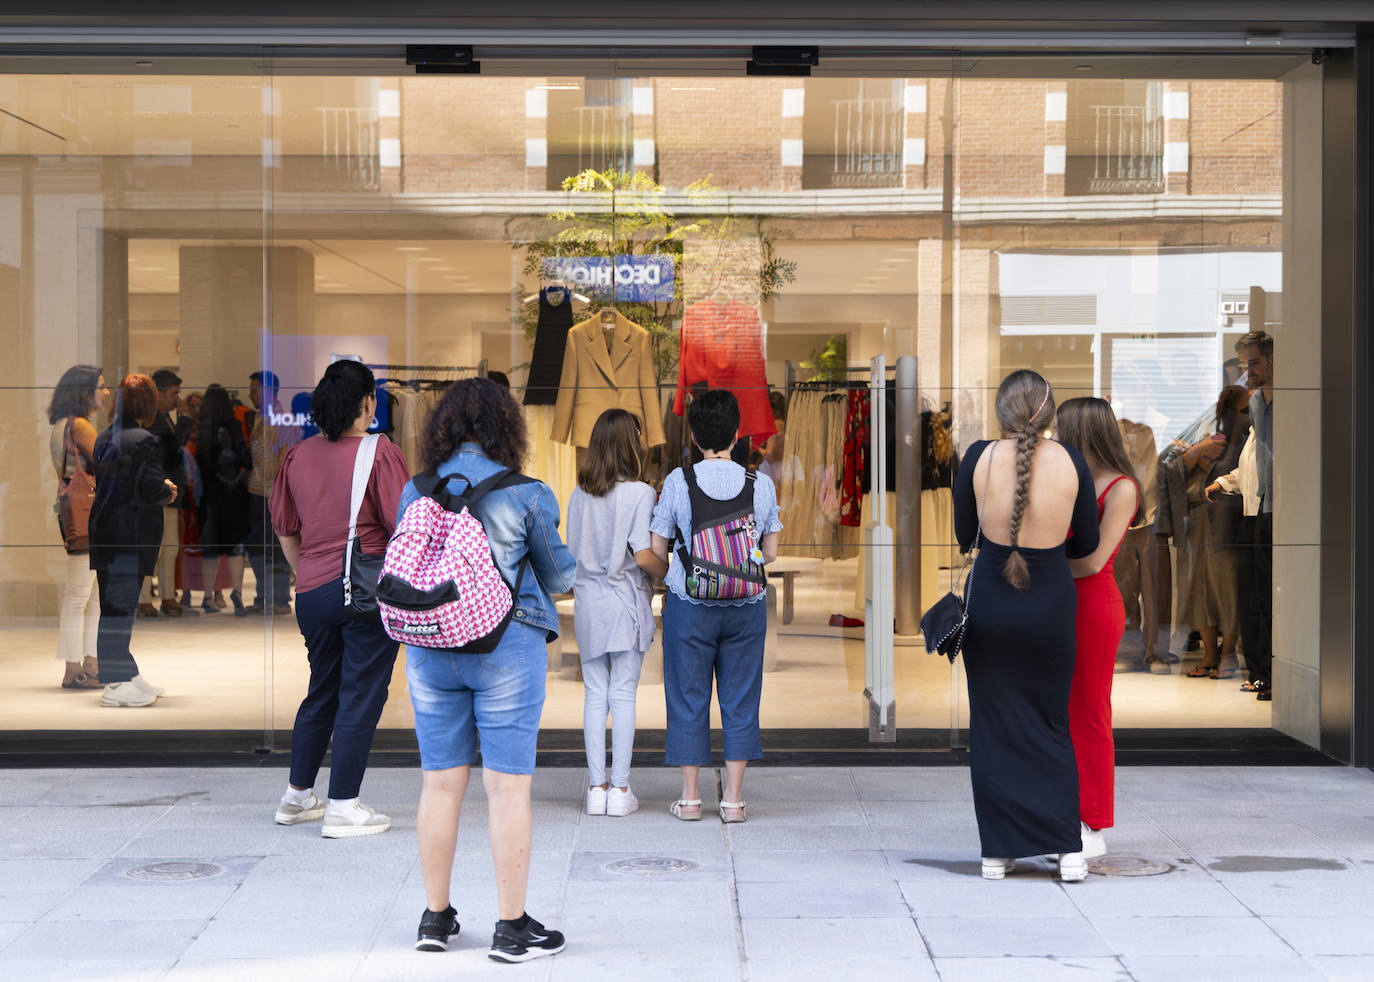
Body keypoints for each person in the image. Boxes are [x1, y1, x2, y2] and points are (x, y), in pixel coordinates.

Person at [400, 377, 576, 961]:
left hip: (429, 645)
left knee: (440, 782)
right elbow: (561, 578)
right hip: (507, 648)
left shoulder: (417, 489)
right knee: (506, 788)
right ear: (508, 428)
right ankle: (511, 928)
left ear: (444, 427)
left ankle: (435, 918)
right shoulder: (527, 492)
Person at [955, 370, 1100, 882]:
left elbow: (963, 533)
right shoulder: (1071, 461)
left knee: (992, 727)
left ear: (1001, 410)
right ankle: (1067, 850)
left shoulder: (977, 457)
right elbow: (1085, 541)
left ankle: (998, 851)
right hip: (1050, 605)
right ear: (1050, 411)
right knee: (1051, 722)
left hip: (992, 600)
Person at [269, 359, 409, 837]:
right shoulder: (380, 453)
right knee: (361, 695)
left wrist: (310, 572)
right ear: (367, 402)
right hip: (364, 593)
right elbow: (404, 525)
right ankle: (343, 806)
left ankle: (296, 797)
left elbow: (286, 529)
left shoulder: (297, 456)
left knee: (322, 691)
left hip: (311, 592)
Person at [649, 389, 781, 824]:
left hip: (690, 603)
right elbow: (772, 553)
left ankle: (689, 799)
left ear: (692, 435)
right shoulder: (759, 484)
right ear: (738, 432)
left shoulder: (677, 481)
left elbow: (657, 546)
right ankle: (734, 801)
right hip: (746, 605)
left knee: (688, 696)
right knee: (740, 699)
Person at [565, 409, 668, 818]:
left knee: (595, 694)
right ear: (631, 442)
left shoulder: (578, 492)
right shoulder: (640, 493)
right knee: (623, 692)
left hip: (589, 601)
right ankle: (621, 788)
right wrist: (672, 571)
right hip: (624, 599)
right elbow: (643, 555)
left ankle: (596, 788)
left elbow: (571, 552)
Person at [1055, 397, 1141, 860]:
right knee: (1060, 713)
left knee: (1089, 712)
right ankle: (1064, 812)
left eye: (1062, 430)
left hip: (1093, 607)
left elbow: (1091, 562)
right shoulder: (1069, 479)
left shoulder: (1122, 487)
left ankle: (1093, 822)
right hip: (1059, 604)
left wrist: (1036, 564)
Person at [89, 374, 176, 708]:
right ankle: (114, 682)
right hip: (130, 535)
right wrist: (169, 489)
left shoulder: (104, 436)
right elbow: (152, 488)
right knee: (119, 611)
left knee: (115, 608)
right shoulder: (143, 440)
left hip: (107, 533)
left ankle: (126, 672)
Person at [1207, 331, 1275, 702]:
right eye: (1245, 364)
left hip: (1270, 513)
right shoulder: (1257, 407)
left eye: (1255, 362)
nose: (1248, 370)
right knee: (1250, 596)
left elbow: (1270, 464)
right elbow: (1250, 465)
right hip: (1252, 514)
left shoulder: (1272, 408)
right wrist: (1223, 483)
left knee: (1263, 598)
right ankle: (1259, 672)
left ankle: (1266, 673)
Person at [1179, 387, 1249, 680]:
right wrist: (1194, 453)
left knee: (1226, 588)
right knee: (1200, 589)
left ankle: (1229, 653)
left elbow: (1238, 474)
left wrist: (1202, 459)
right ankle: (1210, 655)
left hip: (1226, 519)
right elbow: (1175, 467)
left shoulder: (1245, 438)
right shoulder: (1210, 435)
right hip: (1199, 519)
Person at [47, 365, 110, 689]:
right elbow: (108, 464)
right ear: (83, 391)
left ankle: (90, 662)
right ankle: (75, 669)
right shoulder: (81, 426)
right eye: (100, 386)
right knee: (80, 595)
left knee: (88, 593)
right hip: (87, 514)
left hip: (74, 513)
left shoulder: (60, 424)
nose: (106, 392)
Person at [137, 369, 193, 618]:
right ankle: (145, 598)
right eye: (173, 394)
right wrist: (185, 423)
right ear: (157, 394)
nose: (176, 400)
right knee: (154, 547)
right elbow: (168, 452)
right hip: (156, 492)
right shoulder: (153, 421)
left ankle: (168, 595)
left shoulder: (165, 419)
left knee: (170, 547)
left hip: (169, 494)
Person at [196, 384, 252, 616]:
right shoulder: (233, 425)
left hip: (209, 496)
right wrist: (235, 480)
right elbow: (246, 459)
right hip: (233, 495)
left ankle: (208, 596)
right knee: (235, 546)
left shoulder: (203, 429)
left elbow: (201, 464)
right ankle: (237, 592)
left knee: (211, 548)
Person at [245, 370, 298, 615]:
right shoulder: (262, 417)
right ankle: (265, 595)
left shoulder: (282, 419)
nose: (249, 394)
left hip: (271, 493)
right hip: (260, 492)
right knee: (260, 546)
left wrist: (267, 471)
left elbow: (284, 461)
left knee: (273, 547)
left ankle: (276, 598)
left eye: (254, 389)